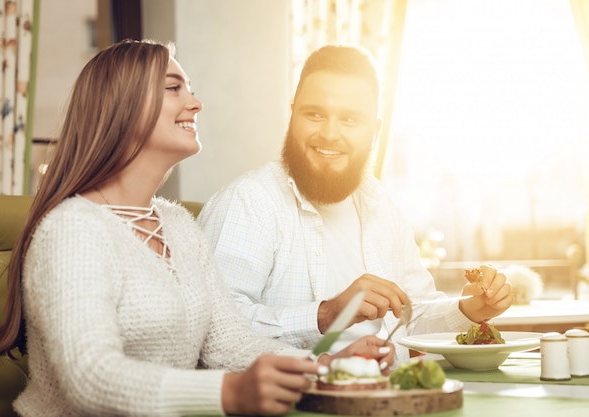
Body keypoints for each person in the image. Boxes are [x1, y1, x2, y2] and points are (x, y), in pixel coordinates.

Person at [0, 40, 395, 417]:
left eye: (191, 89)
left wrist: (321, 366)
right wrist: (228, 393)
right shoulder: (71, 230)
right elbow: (90, 376)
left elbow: (227, 342)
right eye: (174, 88)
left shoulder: (177, 225)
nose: (196, 103)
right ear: (121, 106)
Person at [197, 44, 514, 362]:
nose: (330, 134)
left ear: (375, 132)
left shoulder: (382, 208)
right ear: (292, 115)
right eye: (315, 114)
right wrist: (326, 314)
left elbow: (412, 316)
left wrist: (467, 308)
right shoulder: (247, 203)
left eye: (349, 119)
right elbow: (214, 330)